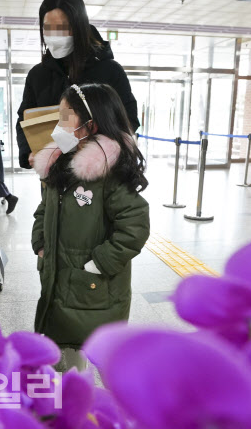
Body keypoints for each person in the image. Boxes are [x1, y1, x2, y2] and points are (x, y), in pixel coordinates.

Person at [31, 83, 150, 371]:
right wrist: (41, 244)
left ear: (90, 123)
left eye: (64, 116)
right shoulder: (59, 165)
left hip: (94, 286)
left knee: (100, 356)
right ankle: (71, 403)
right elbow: (44, 209)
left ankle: (107, 408)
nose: (57, 125)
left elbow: (135, 225)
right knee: (65, 348)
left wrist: (99, 263)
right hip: (58, 277)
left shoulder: (109, 172)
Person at [16, 0, 140, 169]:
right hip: (54, 177)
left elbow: (129, 120)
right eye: (48, 28)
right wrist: (28, 152)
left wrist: (96, 153)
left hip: (101, 175)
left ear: (79, 27)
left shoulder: (110, 71)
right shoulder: (38, 76)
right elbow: (24, 120)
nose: (54, 36)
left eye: (62, 28)